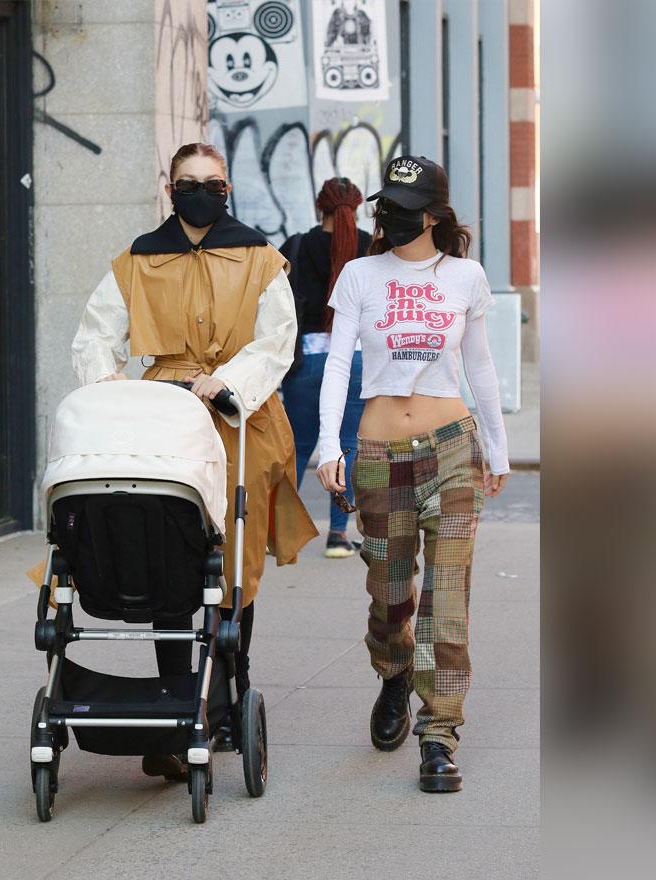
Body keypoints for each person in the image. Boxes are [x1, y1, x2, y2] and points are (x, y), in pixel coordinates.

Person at [61, 142, 317, 780]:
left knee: (235, 559)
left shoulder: (260, 259)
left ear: (227, 187)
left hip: (239, 417)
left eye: (211, 181)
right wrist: (109, 386)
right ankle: (177, 708)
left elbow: (277, 337)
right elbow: (95, 334)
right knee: (169, 549)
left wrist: (229, 381)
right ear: (169, 187)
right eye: (187, 181)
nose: (200, 191)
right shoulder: (137, 261)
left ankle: (230, 690)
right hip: (162, 416)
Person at [315, 155, 509, 792]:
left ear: (433, 213)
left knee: (446, 597)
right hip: (378, 454)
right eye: (385, 206)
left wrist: (498, 448)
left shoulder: (466, 278)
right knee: (388, 592)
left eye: (403, 207)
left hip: (452, 447)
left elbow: (480, 368)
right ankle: (394, 671)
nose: (390, 217)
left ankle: (440, 734)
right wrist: (327, 445)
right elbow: (338, 364)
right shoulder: (360, 276)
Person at [280, 178, 372, 557]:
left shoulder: (298, 245)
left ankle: (280, 535)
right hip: (355, 357)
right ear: (357, 206)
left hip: (307, 357)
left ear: (320, 208)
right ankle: (338, 534)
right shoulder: (371, 247)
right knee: (347, 446)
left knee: (298, 448)